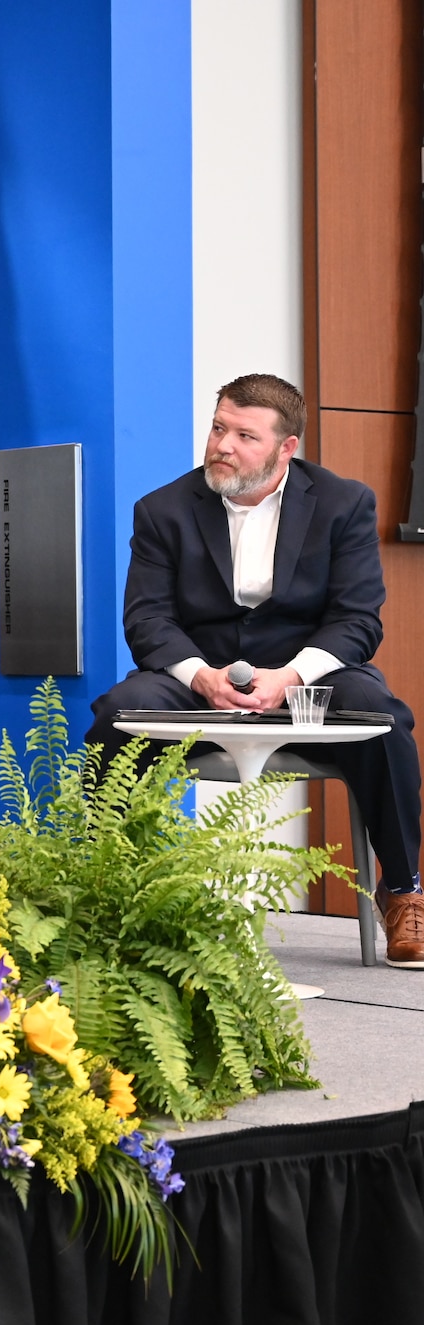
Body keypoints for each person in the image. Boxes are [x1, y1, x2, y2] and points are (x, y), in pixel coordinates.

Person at [87, 373, 423, 964]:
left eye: (244, 435)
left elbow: (356, 620)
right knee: (116, 714)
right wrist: (202, 676)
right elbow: (148, 622)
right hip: (200, 681)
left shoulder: (344, 504)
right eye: (219, 427)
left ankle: (402, 890)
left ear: (285, 447)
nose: (222, 445)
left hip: (306, 680)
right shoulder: (162, 510)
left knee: (382, 716)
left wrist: (291, 676)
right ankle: (105, 889)